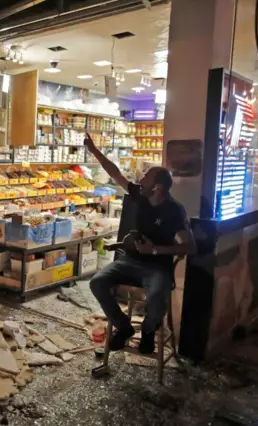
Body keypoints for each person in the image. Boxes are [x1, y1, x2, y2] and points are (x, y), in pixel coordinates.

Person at [83, 132, 195, 354]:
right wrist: (93, 150)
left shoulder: (174, 210)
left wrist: (154, 250)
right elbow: (114, 173)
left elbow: (189, 247)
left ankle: (148, 331)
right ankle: (124, 328)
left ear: (158, 188)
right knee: (97, 282)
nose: (140, 179)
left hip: (157, 267)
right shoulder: (141, 196)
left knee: (156, 298)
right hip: (130, 261)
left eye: (146, 176)